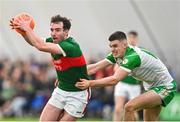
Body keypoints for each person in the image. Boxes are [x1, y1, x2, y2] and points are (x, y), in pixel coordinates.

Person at [76, 31, 176, 121]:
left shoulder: (132, 57)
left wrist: (89, 83)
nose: (112, 49)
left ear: (125, 45)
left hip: (166, 87)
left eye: (115, 46)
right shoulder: (117, 54)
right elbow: (94, 67)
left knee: (129, 107)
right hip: (151, 87)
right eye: (110, 46)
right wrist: (70, 72)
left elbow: (114, 80)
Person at [10, 14, 91, 121]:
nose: (53, 33)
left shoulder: (70, 46)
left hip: (78, 94)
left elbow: (40, 46)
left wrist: (27, 28)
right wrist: (23, 32)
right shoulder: (53, 41)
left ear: (66, 32)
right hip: (61, 90)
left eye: (57, 30)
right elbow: (34, 42)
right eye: (52, 30)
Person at [113, 31, 141, 121]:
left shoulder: (139, 52)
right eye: (130, 38)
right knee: (118, 109)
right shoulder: (123, 52)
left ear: (137, 39)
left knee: (133, 111)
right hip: (122, 83)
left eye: (134, 38)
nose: (132, 40)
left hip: (134, 85)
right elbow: (115, 69)